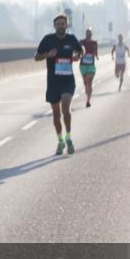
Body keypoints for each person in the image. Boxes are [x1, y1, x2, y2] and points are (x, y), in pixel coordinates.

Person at [35, 14, 83, 155]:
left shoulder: (71, 39)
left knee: (65, 108)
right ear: (54, 26)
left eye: (63, 23)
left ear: (67, 25)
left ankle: (68, 137)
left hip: (68, 80)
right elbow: (36, 57)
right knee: (56, 114)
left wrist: (77, 57)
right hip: (53, 81)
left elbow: (81, 51)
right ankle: (60, 141)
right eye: (58, 24)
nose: (61, 26)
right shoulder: (48, 40)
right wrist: (47, 55)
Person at [79, 27, 99, 107]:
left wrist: (96, 55)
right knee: (86, 83)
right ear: (85, 33)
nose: (89, 34)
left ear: (91, 34)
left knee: (89, 82)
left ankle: (88, 100)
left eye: (90, 33)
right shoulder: (81, 42)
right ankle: (87, 94)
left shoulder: (94, 42)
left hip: (91, 65)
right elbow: (77, 51)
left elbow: (96, 52)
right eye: (87, 32)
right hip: (83, 65)